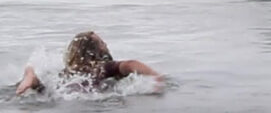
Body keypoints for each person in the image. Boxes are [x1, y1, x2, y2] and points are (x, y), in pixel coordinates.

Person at [15, 31, 161, 96]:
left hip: (59, 94)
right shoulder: (102, 67)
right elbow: (131, 64)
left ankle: (31, 77)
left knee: (45, 90)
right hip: (86, 98)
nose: (106, 44)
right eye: (102, 43)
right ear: (96, 50)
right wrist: (156, 76)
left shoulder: (66, 72)